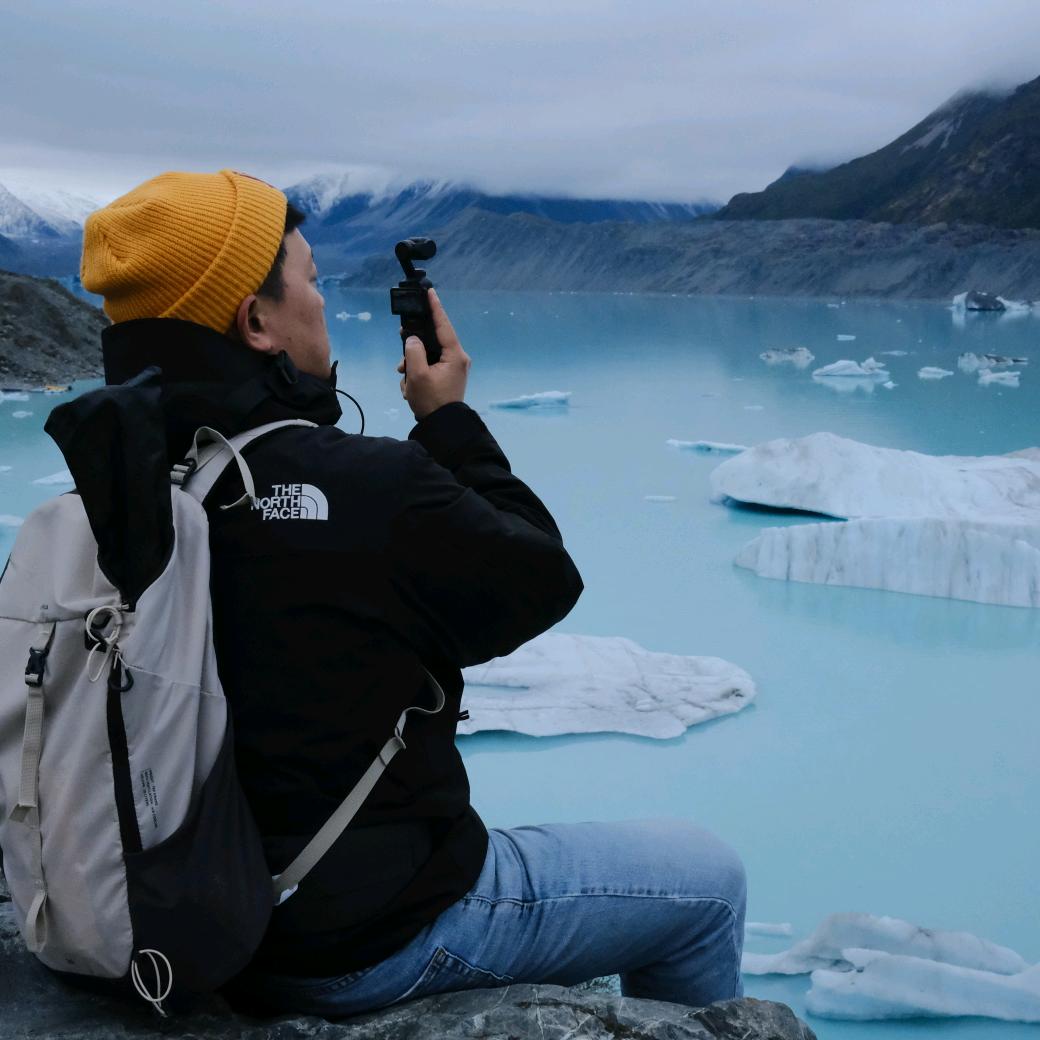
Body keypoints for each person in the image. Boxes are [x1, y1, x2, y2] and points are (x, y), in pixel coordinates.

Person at [79, 169, 747, 1018]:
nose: (323, 305)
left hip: (171, 928)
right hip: (353, 941)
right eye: (311, 283)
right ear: (256, 323)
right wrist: (448, 421)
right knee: (707, 885)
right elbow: (538, 579)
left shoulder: (104, 494)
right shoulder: (365, 486)